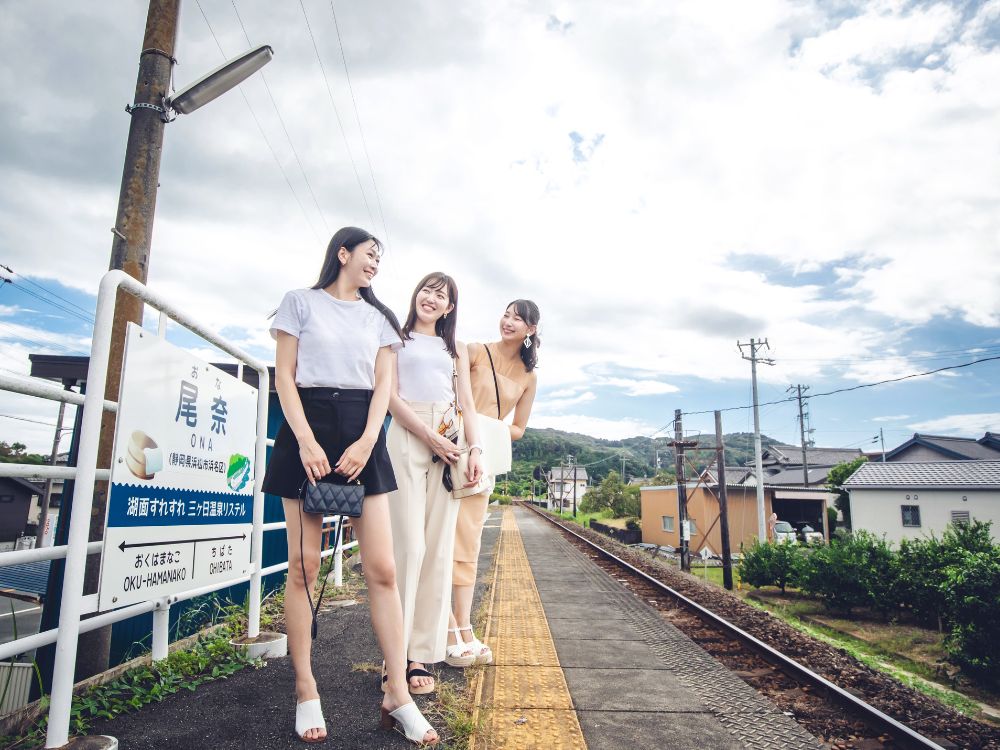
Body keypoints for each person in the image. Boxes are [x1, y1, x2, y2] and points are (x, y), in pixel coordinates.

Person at [261, 227, 438, 745]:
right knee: (305, 566)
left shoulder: (380, 319)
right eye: (369, 255)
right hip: (306, 427)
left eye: (380, 259)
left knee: (383, 569)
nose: (375, 264)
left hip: (363, 431)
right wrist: (306, 442)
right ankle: (305, 688)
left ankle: (397, 694)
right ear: (343, 254)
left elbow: (384, 386)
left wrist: (367, 442)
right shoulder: (299, 303)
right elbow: (285, 377)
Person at [386, 272, 484, 694]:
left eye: (441, 296)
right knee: (408, 548)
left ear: (449, 308)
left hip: (451, 435)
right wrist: (429, 437)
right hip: (408, 433)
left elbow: (467, 405)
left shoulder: (455, 349)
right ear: (416, 295)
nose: (431, 298)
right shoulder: (394, 336)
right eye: (427, 289)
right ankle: (393, 658)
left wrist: (475, 448)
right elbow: (388, 395)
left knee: (438, 550)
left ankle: (419, 655)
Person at [446, 300, 540, 665]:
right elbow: (451, 399)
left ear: (531, 330)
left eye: (519, 318)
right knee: (438, 538)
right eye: (506, 313)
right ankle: (447, 627)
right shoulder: (473, 351)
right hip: (449, 450)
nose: (509, 321)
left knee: (467, 543)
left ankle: (463, 626)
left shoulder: (529, 376)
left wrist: (484, 434)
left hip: (481, 462)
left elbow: (518, 428)